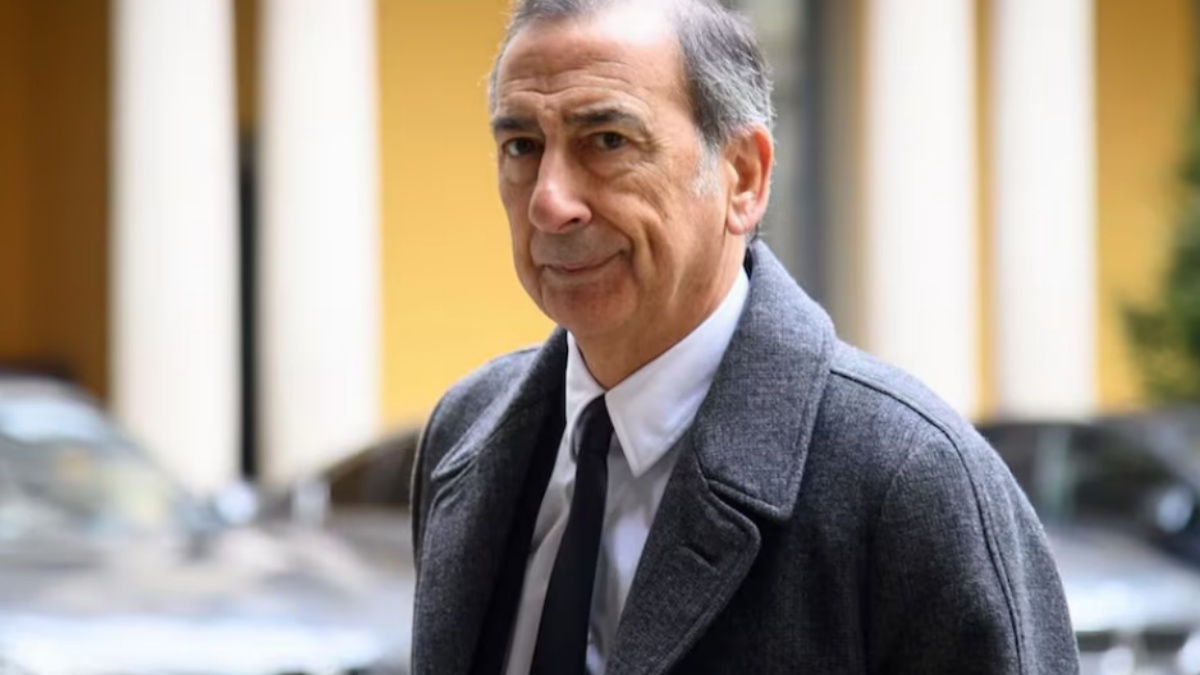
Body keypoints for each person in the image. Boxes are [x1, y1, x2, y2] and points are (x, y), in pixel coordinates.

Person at [410, 0, 1078, 673]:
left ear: (744, 178)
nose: (550, 202)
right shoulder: (465, 434)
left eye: (607, 140)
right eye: (522, 147)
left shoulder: (911, 483)